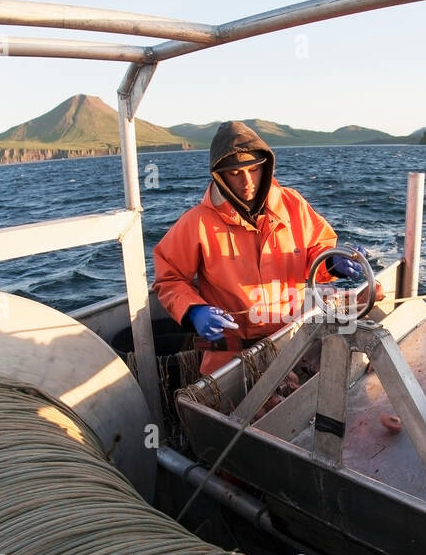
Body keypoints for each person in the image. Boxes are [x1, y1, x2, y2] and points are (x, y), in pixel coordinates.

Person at [152, 121, 367, 374]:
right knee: (224, 405)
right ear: (220, 176)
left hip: (290, 333)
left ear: (266, 167)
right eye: (235, 173)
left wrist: (331, 261)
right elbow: (168, 279)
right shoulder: (196, 222)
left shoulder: (293, 204)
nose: (247, 182)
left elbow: (318, 248)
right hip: (226, 342)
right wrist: (193, 311)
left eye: (254, 169)